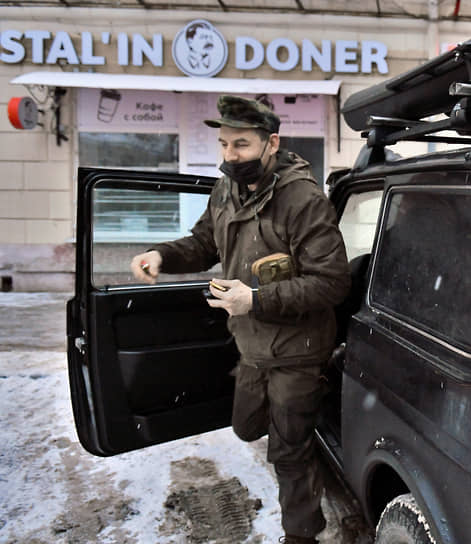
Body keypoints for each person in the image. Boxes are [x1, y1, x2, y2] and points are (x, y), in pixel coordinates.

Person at [130, 95, 350, 544]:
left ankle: (302, 534)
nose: (230, 156)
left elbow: (331, 283)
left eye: (241, 145)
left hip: (298, 348)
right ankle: (309, 425)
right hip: (251, 343)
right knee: (247, 426)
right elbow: (203, 243)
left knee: (289, 453)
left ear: (272, 143)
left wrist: (255, 299)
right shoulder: (226, 190)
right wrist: (162, 255)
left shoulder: (302, 199)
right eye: (225, 145)